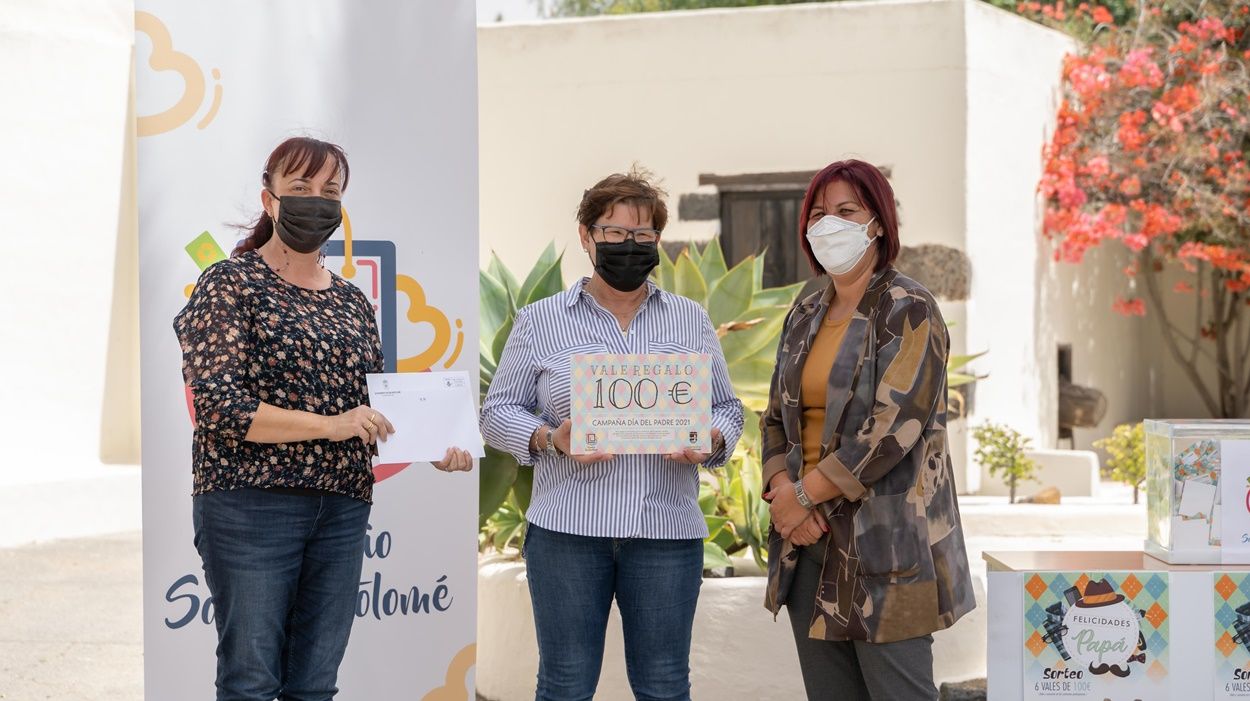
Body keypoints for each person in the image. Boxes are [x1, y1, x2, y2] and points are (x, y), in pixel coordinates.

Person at [174, 136, 473, 701]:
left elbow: (375, 408)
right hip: (249, 504)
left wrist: (434, 443)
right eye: (301, 188)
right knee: (251, 680)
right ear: (270, 201)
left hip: (340, 508)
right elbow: (219, 407)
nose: (317, 200)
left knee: (315, 685)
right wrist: (331, 425)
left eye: (330, 191)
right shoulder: (229, 283)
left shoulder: (352, 301)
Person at [480, 169, 744, 701]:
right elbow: (497, 412)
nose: (630, 246)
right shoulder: (539, 322)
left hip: (666, 534)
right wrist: (550, 439)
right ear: (586, 235)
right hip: (567, 535)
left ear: (657, 242)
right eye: (615, 234)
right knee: (565, 684)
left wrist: (712, 439)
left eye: (643, 236)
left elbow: (728, 407)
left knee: (665, 684)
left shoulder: (690, 321)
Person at [759, 159, 975, 700]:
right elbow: (774, 418)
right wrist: (783, 492)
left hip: (886, 551)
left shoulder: (909, 309)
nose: (828, 222)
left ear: (877, 222)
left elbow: (891, 432)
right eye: (819, 213)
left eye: (846, 210)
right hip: (807, 545)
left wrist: (805, 495)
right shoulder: (806, 308)